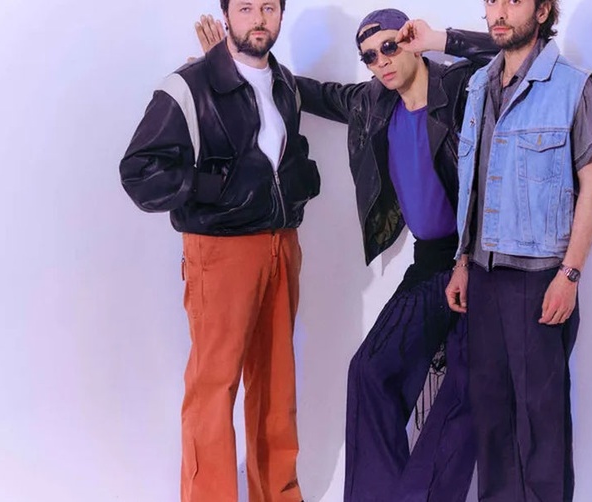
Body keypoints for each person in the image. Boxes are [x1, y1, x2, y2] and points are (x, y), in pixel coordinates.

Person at [194, 8, 496, 501]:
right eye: (370, 56)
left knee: (461, 391)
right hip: (429, 263)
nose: (382, 61)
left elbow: (512, 51)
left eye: (391, 47)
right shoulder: (372, 102)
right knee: (370, 372)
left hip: (479, 262)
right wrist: (228, 63)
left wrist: (441, 39)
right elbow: (301, 90)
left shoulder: (460, 87)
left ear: (411, 40)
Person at [119, 1, 320, 501]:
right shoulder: (188, 86)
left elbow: (282, 156)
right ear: (226, 15)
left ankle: (279, 494)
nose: (259, 19)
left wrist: (301, 181)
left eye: (269, 7)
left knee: (275, 386)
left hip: (281, 245)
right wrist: (215, 187)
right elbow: (139, 172)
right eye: (246, 7)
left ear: (281, 14)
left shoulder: (285, 85)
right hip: (220, 252)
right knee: (214, 387)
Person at [445, 0, 592, 500]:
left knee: (541, 421)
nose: (499, 11)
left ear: (542, 11)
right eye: (492, 1)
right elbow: (474, 184)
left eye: (513, 1)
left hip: (539, 278)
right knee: (491, 414)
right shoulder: (479, 85)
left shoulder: (573, 87)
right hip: (483, 274)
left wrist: (570, 274)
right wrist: (462, 261)